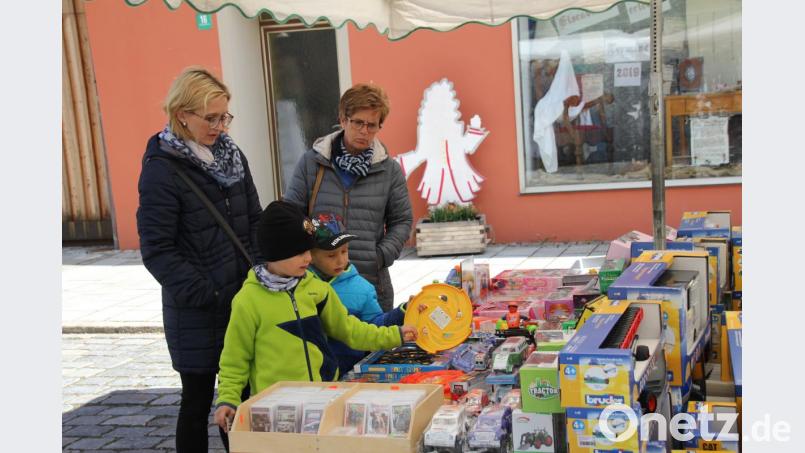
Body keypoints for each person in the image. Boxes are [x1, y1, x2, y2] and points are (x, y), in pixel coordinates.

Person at [136, 67, 261, 452]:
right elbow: (157, 250)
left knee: (240, 400)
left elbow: (254, 221)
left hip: (242, 301)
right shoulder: (162, 169)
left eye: (224, 116)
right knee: (197, 401)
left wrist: (259, 277)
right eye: (211, 118)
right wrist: (209, 293)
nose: (220, 126)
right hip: (197, 309)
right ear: (181, 114)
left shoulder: (232, 156)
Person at [212, 201, 418, 431]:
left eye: (308, 250)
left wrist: (395, 335)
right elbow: (234, 358)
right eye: (300, 252)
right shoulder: (248, 300)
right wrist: (228, 398)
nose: (308, 258)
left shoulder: (317, 290)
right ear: (275, 253)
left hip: (321, 403)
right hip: (276, 412)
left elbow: (350, 330)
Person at [284, 83, 413, 313]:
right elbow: (291, 214)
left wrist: (381, 256)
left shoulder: (389, 170)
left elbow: (402, 221)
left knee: (372, 345)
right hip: (318, 285)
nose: (364, 131)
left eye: (372, 125)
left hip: (370, 284)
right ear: (343, 119)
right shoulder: (313, 163)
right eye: (358, 122)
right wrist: (310, 254)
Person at [308, 212, 422, 373]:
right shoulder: (301, 286)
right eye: (331, 255)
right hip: (309, 376)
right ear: (310, 255)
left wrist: (402, 311)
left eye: (344, 251)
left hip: (349, 371)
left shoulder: (362, 288)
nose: (340, 260)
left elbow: (374, 325)